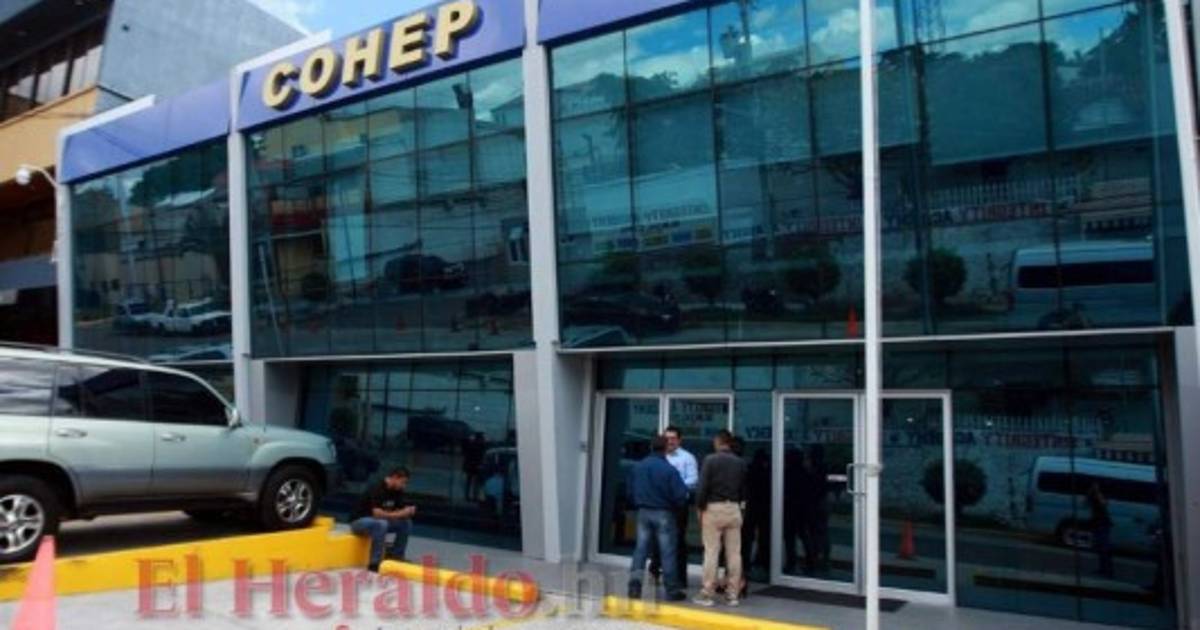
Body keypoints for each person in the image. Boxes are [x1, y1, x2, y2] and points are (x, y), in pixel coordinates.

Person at [625, 435, 689, 601]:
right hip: (664, 513)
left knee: (640, 550)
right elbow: (680, 496)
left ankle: (634, 588)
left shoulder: (638, 467)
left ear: (651, 447)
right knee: (667, 552)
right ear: (666, 448)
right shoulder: (669, 470)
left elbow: (629, 491)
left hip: (643, 512)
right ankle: (672, 590)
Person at [694, 430, 748, 607]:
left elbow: (702, 487)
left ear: (718, 442)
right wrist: (741, 509)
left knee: (711, 551)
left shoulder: (710, 460)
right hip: (733, 508)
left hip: (713, 508)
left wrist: (699, 507)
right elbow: (744, 490)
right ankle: (732, 594)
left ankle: (707, 592)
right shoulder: (740, 463)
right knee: (734, 554)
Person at [650, 426, 698, 588]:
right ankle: (655, 573)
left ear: (679, 440)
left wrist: (674, 488)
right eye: (667, 438)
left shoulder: (687, 458)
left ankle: (679, 579)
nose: (670, 441)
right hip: (659, 504)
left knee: (678, 541)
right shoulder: (658, 457)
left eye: (673, 438)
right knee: (656, 539)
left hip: (678, 506)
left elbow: (693, 480)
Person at [350, 467, 416, 572]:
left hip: (379, 522)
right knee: (381, 523)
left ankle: (396, 556)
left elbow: (401, 509)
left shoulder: (397, 491)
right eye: (403, 482)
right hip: (359, 522)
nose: (404, 486)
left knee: (406, 523)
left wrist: (409, 510)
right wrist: (400, 513)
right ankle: (374, 563)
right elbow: (377, 513)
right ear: (395, 477)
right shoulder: (377, 487)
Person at [1087, 482, 1114, 577]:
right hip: (1097, 523)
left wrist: (1098, 492)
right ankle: (1103, 569)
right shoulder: (1092, 497)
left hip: (1103, 523)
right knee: (1100, 548)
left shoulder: (1102, 495)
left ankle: (1108, 570)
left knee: (1104, 548)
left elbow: (1104, 503)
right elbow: (1085, 503)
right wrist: (1091, 491)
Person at [462, 432, 487, 501]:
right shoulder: (480, 446)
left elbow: (466, 455)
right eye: (482, 438)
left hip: (471, 466)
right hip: (475, 466)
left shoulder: (472, 444)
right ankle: (473, 496)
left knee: (470, 482)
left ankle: (468, 496)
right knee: (475, 483)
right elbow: (480, 457)